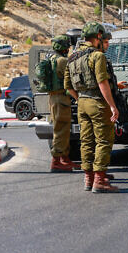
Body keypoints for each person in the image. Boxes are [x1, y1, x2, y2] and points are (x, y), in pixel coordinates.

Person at [65, 22, 120, 193]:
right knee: (104, 140)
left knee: (87, 141)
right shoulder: (97, 56)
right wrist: (112, 106)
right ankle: (100, 179)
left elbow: (68, 86)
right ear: (98, 37)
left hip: (82, 103)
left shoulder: (72, 57)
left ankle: (89, 177)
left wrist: (81, 98)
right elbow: (102, 82)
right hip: (97, 102)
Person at [47, 35, 74, 171]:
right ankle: (56, 161)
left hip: (53, 98)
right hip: (61, 99)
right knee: (61, 130)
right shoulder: (62, 61)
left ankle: (64, 158)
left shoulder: (51, 59)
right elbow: (71, 79)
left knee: (61, 129)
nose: (69, 48)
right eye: (67, 46)